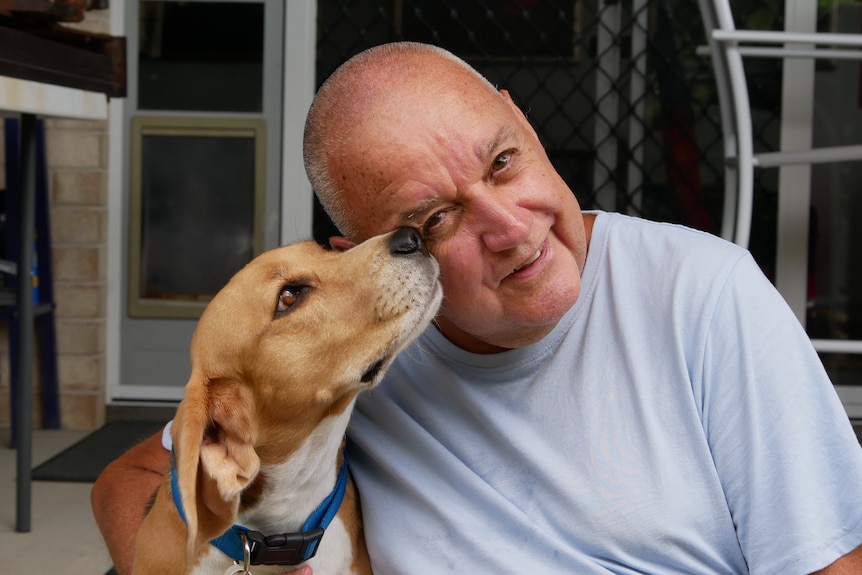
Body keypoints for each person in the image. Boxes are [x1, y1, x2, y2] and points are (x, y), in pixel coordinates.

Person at [92, 42, 862, 574]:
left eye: (503, 160)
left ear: (522, 118)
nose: (510, 225)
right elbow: (131, 481)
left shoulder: (703, 293)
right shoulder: (358, 354)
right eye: (435, 222)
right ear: (366, 255)